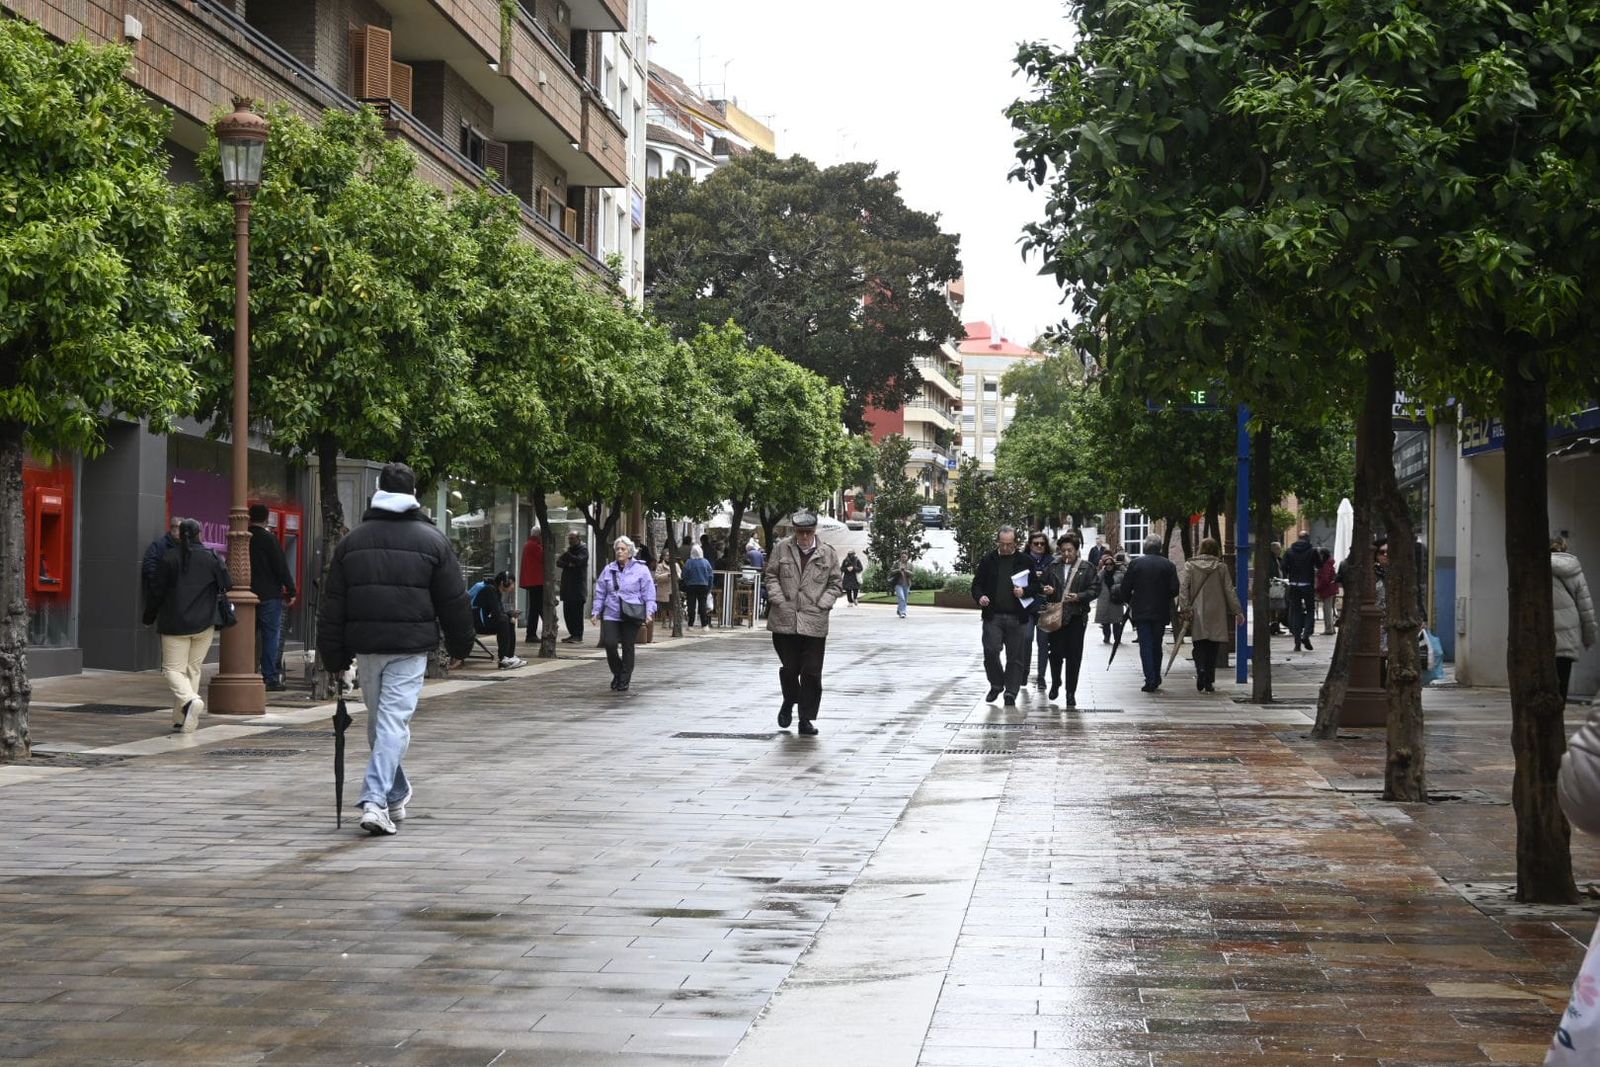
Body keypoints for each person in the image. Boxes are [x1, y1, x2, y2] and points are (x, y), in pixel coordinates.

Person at [316, 462, 475, 836]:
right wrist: (460, 644)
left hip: (368, 648)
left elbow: (333, 604)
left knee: (384, 724)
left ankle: (381, 798)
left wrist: (334, 656)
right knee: (385, 725)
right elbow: (454, 600)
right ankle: (389, 795)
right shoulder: (433, 540)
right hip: (409, 647)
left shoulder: (352, 542)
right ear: (414, 494)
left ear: (378, 491)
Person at [145, 518, 229, 733]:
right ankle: (182, 717)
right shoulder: (212, 557)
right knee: (193, 669)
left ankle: (191, 700)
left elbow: (156, 591)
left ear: (179, 534)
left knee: (172, 670)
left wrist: (149, 616)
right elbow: (226, 584)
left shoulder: (169, 557)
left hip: (174, 623)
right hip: (205, 623)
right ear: (200, 534)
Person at [764, 510, 842, 735]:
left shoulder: (828, 553)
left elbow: (835, 583)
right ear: (795, 531)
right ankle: (790, 700)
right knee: (790, 669)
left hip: (814, 621)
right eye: (800, 532)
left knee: (811, 672)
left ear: (815, 530)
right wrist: (778, 599)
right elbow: (771, 575)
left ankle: (805, 718)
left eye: (808, 532)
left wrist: (823, 603)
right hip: (785, 620)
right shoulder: (782, 548)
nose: (805, 536)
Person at [970, 526, 1039, 706]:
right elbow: (977, 585)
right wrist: (980, 597)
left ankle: (1011, 692)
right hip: (993, 615)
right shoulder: (989, 560)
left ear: (1016, 542)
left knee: (1015, 656)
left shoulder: (1025, 560)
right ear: (997, 542)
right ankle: (996, 684)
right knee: (991, 651)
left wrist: (1024, 591)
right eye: (1002, 544)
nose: (1006, 548)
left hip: (1017, 616)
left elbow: (1036, 586)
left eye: (1010, 544)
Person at [1179, 537, 1244, 693]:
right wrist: (1237, 611)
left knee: (1199, 644)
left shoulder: (1190, 565)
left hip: (1197, 610)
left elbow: (1184, 588)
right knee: (1213, 647)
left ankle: (1200, 668)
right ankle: (1209, 681)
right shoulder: (1221, 567)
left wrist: (1185, 607)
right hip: (1216, 611)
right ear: (1216, 550)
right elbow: (1229, 590)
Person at [591, 535, 656, 692]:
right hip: (611, 612)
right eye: (617, 549)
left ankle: (624, 679)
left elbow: (649, 593)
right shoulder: (608, 569)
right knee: (610, 643)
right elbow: (600, 592)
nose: (619, 552)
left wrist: (649, 612)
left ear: (630, 551)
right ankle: (618, 672)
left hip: (632, 612)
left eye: (623, 549)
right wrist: (596, 612)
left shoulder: (641, 569)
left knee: (628, 645)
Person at [1116, 535, 1180, 693]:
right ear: (1159, 547)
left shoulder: (1136, 564)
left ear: (1145, 547)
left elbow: (1125, 588)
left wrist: (1131, 600)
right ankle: (1156, 676)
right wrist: (1163, 597)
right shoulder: (1168, 565)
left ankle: (1150, 678)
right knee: (1156, 644)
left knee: (1145, 645)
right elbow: (1174, 589)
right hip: (1160, 611)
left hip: (1141, 611)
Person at [1042, 533, 1100, 706]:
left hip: (1076, 616)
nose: (1066, 554)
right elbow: (1041, 584)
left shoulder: (1087, 567)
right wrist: (1046, 590)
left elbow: (1095, 589)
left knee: (1074, 656)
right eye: (1063, 550)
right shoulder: (1053, 566)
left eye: (1070, 550)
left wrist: (1079, 596)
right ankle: (1055, 682)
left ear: (1077, 550)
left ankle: (1070, 692)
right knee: (1055, 653)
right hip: (1056, 615)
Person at [247, 504, 297, 692]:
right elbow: (281, 566)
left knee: (247, 636)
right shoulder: (270, 539)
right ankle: (269, 676)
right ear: (266, 519)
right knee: (270, 637)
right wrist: (291, 590)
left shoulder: (244, 538)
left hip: (247, 595)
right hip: (269, 595)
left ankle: (246, 671)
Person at [1553, 538, 1596, 706]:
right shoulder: (1575, 570)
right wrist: (1589, 637)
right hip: (1568, 634)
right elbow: (1586, 608)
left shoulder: (1536, 569)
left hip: (1542, 637)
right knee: (1562, 680)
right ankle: (1558, 713)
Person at [470, 570, 526, 669]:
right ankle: (503, 659)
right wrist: (508, 615)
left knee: (508, 620)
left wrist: (510, 614)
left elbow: (499, 612)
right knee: (504, 620)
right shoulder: (490, 590)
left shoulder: (495, 591)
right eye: (512, 583)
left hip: (482, 621)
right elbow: (497, 614)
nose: (513, 587)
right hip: (477, 623)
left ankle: (509, 657)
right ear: (503, 583)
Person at [1022, 531, 1056, 689]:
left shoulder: (1052, 561)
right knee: (1026, 638)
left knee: (1043, 643)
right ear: (1030, 545)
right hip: (1027, 606)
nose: (1039, 546)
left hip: (1045, 607)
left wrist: (1051, 588)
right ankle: (1024, 672)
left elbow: (1056, 581)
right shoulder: (1022, 560)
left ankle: (1041, 677)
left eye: (1042, 543)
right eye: (1036, 543)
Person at [1282, 531, 1318, 651]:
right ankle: (1306, 634)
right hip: (1307, 584)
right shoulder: (1312, 551)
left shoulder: (1289, 551)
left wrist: (1291, 573)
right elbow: (1319, 564)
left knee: (1296, 612)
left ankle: (1297, 643)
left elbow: (1283, 566)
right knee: (1310, 610)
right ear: (1308, 538)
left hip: (1294, 585)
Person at [556, 531, 589, 643]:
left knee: (576, 613)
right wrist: (569, 564)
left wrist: (568, 557)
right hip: (567, 587)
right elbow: (559, 562)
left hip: (577, 588)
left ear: (578, 539)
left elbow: (579, 561)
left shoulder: (583, 550)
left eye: (572, 538)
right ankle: (572, 634)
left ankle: (577, 635)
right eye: (569, 538)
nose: (570, 541)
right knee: (568, 613)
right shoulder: (569, 551)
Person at [1096, 549, 1129, 645]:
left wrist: (1121, 566)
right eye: (1106, 564)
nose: (1109, 566)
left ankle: (1117, 638)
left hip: (1116, 600)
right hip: (1104, 600)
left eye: (1111, 564)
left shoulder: (1119, 573)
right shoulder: (1103, 574)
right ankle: (1106, 637)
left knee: (1116, 622)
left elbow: (1127, 576)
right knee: (1105, 621)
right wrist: (1102, 570)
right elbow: (1096, 580)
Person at [519, 528, 545, 644]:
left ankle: (532, 633)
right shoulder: (534, 545)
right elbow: (544, 557)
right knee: (536, 607)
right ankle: (531, 634)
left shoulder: (529, 544)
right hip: (536, 581)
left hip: (532, 580)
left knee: (536, 607)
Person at [682, 545, 715, 628]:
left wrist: (686, 583)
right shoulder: (706, 562)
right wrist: (710, 587)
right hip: (703, 586)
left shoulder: (689, 562)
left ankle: (690, 624)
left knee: (691, 606)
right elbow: (710, 575)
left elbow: (684, 575)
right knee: (702, 605)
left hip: (691, 586)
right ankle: (704, 625)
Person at [1315, 547, 1339, 635]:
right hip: (1330, 589)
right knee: (1328, 609)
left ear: (1323, 555)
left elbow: (1325, 579)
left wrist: (1318, 588)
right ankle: (1331, 628)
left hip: (1327, 590)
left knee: (1327, 609)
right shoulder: (1329, 563)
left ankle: (1329, 629)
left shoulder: (1325, 565)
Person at [653, 554, 676, 624]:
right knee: (664, 607)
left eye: (669, 555)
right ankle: (664, 622)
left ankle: (671, 622)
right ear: (663, 557)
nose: (668, 557)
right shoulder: (660, 566)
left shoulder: (675, 565)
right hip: (663, 589)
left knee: (672, 607)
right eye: (667, 555)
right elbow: (656, 577)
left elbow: (679, 574)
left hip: (672, 589)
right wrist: (667, 575)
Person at [890, 552, 914, 619]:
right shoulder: (896, 564)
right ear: (900, 557)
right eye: (902, 557)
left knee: (905, 599)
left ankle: (899, 609)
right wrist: (898, 570)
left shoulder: (910, 565)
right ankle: (903, 612)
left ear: (907, 557)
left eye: (905, 557)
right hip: (898, 584)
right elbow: (891, 571)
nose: (903, 558)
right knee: (901, 598)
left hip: (906, 584)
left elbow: (912, 574)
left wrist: (906, 571)